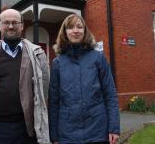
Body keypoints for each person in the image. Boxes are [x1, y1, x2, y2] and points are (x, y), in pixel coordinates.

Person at [0, 9, 50, 144]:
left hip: (27, 128)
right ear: (0, 26)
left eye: (15, 22)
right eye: (6, 23)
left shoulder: (37, 54)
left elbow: (44, 89)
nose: (11, 26)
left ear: (22, 26)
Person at [48, 14, 120, 144]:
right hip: (67, 133)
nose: (75, 30)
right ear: (64, 32)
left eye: (79, 27)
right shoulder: (57, 63)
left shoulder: (98, 58)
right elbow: (53, 102)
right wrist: (54, 136)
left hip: (97, 131)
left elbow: (110, 94)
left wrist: (114, 128)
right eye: (70, 27)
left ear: (85, 31)